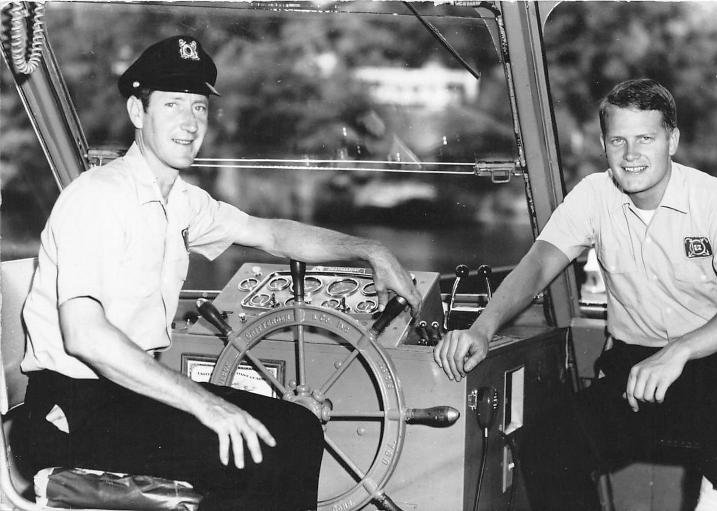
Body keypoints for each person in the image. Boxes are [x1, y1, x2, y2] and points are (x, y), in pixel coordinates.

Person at [20, 35, 423, 511]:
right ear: (136, 113)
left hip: (127, 396)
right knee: (261, 452)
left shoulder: (182, 202)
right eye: (173, 105)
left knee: (294, 428)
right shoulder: (98, 197)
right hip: (69, 413)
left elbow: (272, 234)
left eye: (199, 108)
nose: (190, 123)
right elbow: (85, 336)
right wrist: (206, 403)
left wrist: (371, 251)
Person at [434, 78, 717, 511]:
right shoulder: (594, 196)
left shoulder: (714, 200)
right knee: (546, 446)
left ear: (672, 140)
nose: (631, 155)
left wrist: (679, 352)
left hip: (704, 366)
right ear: (603, 144)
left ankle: (712, 506)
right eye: (619, 140)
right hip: (633, 373)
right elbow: (538, 264)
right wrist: (481, 329)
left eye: (645, 139)